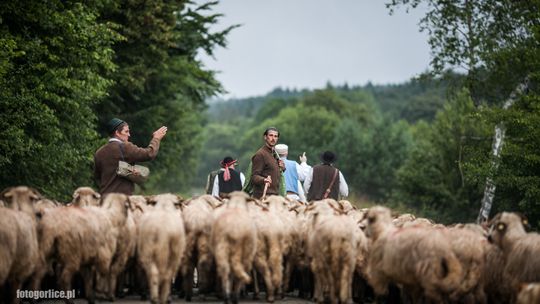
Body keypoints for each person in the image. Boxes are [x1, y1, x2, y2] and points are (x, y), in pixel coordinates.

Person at [94, 118, 167, 195]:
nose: (129, 134)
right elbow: (149, 154)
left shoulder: (99, 152)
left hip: (104, 198)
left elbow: (97, 177)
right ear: (117, 133)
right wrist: (156, 138)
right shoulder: (125, 147)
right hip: (122, 198)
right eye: (126, 131)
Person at [249, 127, 285, 199]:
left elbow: (273, 172)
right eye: (271, 135)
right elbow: (254, 177)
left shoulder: (275, 155)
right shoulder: (260, 154)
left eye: (275, 136)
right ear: (265, 137)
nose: (273, 138)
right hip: (262, 197)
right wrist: (264, 180)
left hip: (274, 196)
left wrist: (282, 168)